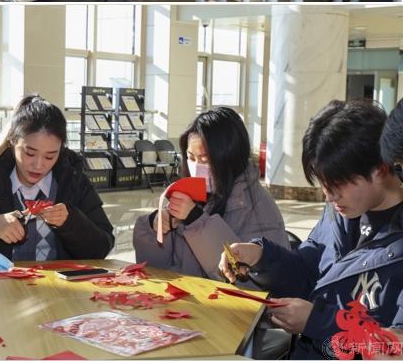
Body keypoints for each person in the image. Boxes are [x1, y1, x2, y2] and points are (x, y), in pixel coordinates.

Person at [219, 99, 403, 359]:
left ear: (380, 169)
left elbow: (394, 348)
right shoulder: (341, 213)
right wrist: (260, 257)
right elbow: (307, 272)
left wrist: (317, 321)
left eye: (337, 184)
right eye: (324, 184)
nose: (329, 196)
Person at [0, 94, 115, 261]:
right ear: (12, 140)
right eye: (29, 153)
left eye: (50, 156)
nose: (39, 165)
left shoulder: (73, 180)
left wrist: (71, 222)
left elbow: (102, 247)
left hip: (57, 286)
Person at [132, 108, 287, 282]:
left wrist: (196, 220)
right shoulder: (192, 195)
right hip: (190, 296)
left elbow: (250, 282)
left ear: (230, 158)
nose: (197, 168)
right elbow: (157, 269)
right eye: (191, 158)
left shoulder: (258, 208)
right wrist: (155, 226)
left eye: (205, 161)